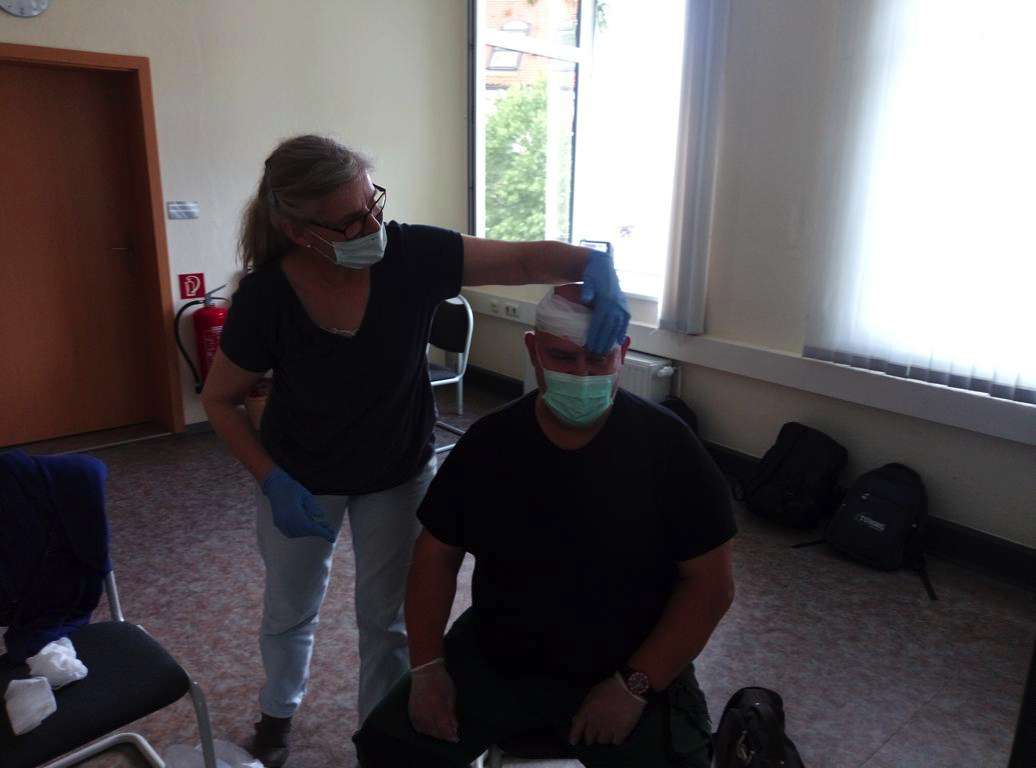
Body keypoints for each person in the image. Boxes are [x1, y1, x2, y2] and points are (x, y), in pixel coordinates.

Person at [201, 136, 630, 767]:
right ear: (297, 230)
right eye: (348, 222)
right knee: (291, 609)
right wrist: (271, 479)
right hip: (301, 476)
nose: (370, 227)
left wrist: (596, 265)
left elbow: (520, 260)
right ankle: (277, 713)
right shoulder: (267, 297)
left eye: (371, 205)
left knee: (388, 620)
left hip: (396, 472)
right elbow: (220, 400)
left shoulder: (412, 255)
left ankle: (380, 735)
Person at [353, 285, 737, 768]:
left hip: (629, 656)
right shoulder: (491, 444)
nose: (582, 375)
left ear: (623, 352)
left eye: (598, 359)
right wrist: (428, 669)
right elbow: (436, 557)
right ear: (533, 349)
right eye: (563, 357)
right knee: (387, 748)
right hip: (499, 653)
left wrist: (634, 685)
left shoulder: (669, 450)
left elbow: (711, 585)